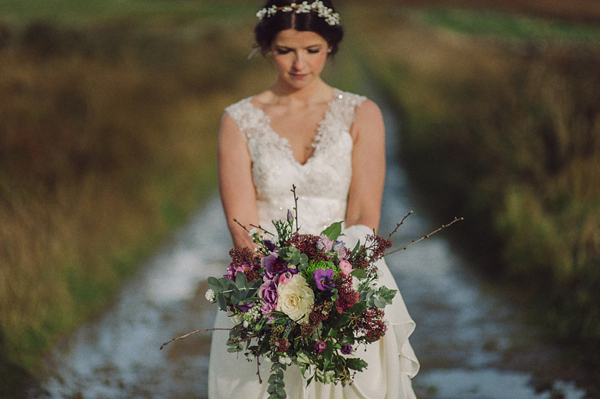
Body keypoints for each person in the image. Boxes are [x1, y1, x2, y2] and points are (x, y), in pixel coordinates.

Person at [208, 1, 419, 398]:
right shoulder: (238, 120)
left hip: (346, 277)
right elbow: (242, 227)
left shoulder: (363, 114)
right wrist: (278, 292)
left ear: (331, 46)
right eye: (286, 50)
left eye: (312, 50)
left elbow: (363, 214)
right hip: (262, 284)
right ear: (267, 47)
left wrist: (334, 289)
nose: (299, 64)